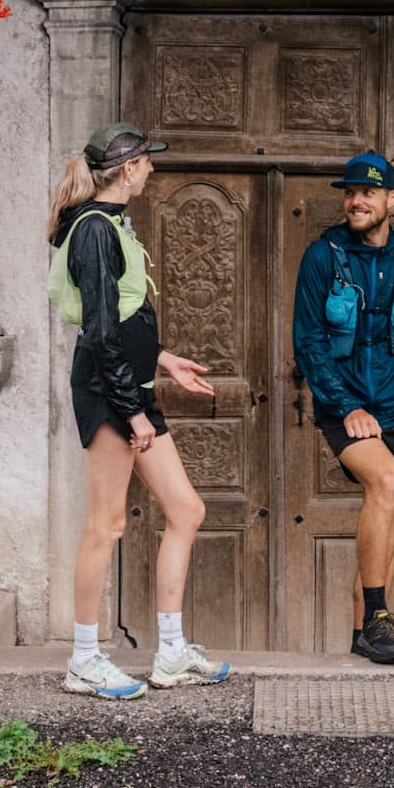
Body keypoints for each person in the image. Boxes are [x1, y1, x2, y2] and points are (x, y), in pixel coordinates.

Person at [47, 122, 232, 699]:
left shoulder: (110, 226)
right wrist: (133, 413)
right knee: (107, 524)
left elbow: (124, 321)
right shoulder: (95, 232)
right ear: (129, 168)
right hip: (111, 392)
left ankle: (171, 653)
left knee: (186, 510)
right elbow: (100, 334)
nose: (153, 169)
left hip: (132, 384)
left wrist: (164, 359)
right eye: (149, 162)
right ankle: (83, 658)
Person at [291, 152, 394, 664]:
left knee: (389, 510)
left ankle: (364, 636)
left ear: (391, 199)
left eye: (368, 192)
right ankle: (379, 616)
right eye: (350, 192)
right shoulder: (323, 256)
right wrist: (346, 405)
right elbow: (308, 342)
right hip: (344, 406)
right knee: (385, 482)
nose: (355, 200)